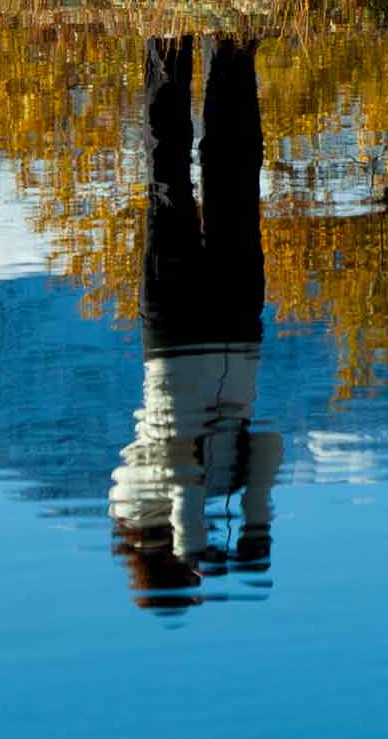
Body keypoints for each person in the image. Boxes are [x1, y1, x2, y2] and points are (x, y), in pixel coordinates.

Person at [110, 35, 281, 609]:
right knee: (236, 168)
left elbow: (180, 462)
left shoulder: (129, 505)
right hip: (238, 327)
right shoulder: (226, 490)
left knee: (169, 167)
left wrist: (193, 539)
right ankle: (234, 44)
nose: (199, 572)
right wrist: (256, 525)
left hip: (177, 331)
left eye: (187, 577)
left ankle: (165, 36)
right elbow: (272, 443)